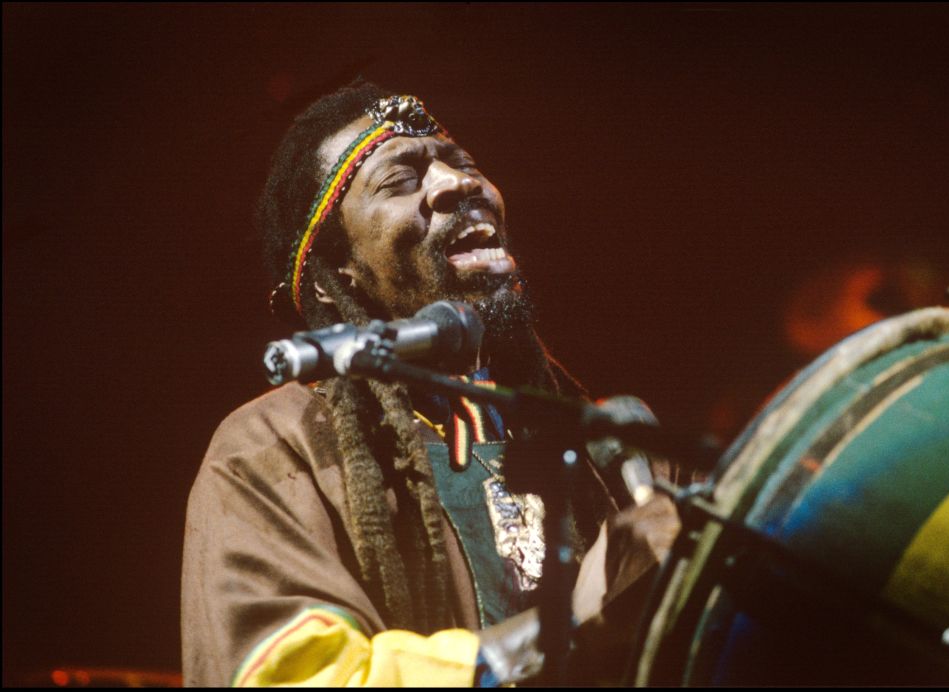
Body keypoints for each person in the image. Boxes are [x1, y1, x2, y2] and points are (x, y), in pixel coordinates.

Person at [181, 80, 680, 687]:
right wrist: (565, 630)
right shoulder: (271, 447)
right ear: (332, 274)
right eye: (400, 180)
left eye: (462, 163)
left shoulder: (596, 437)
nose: (459, 183)